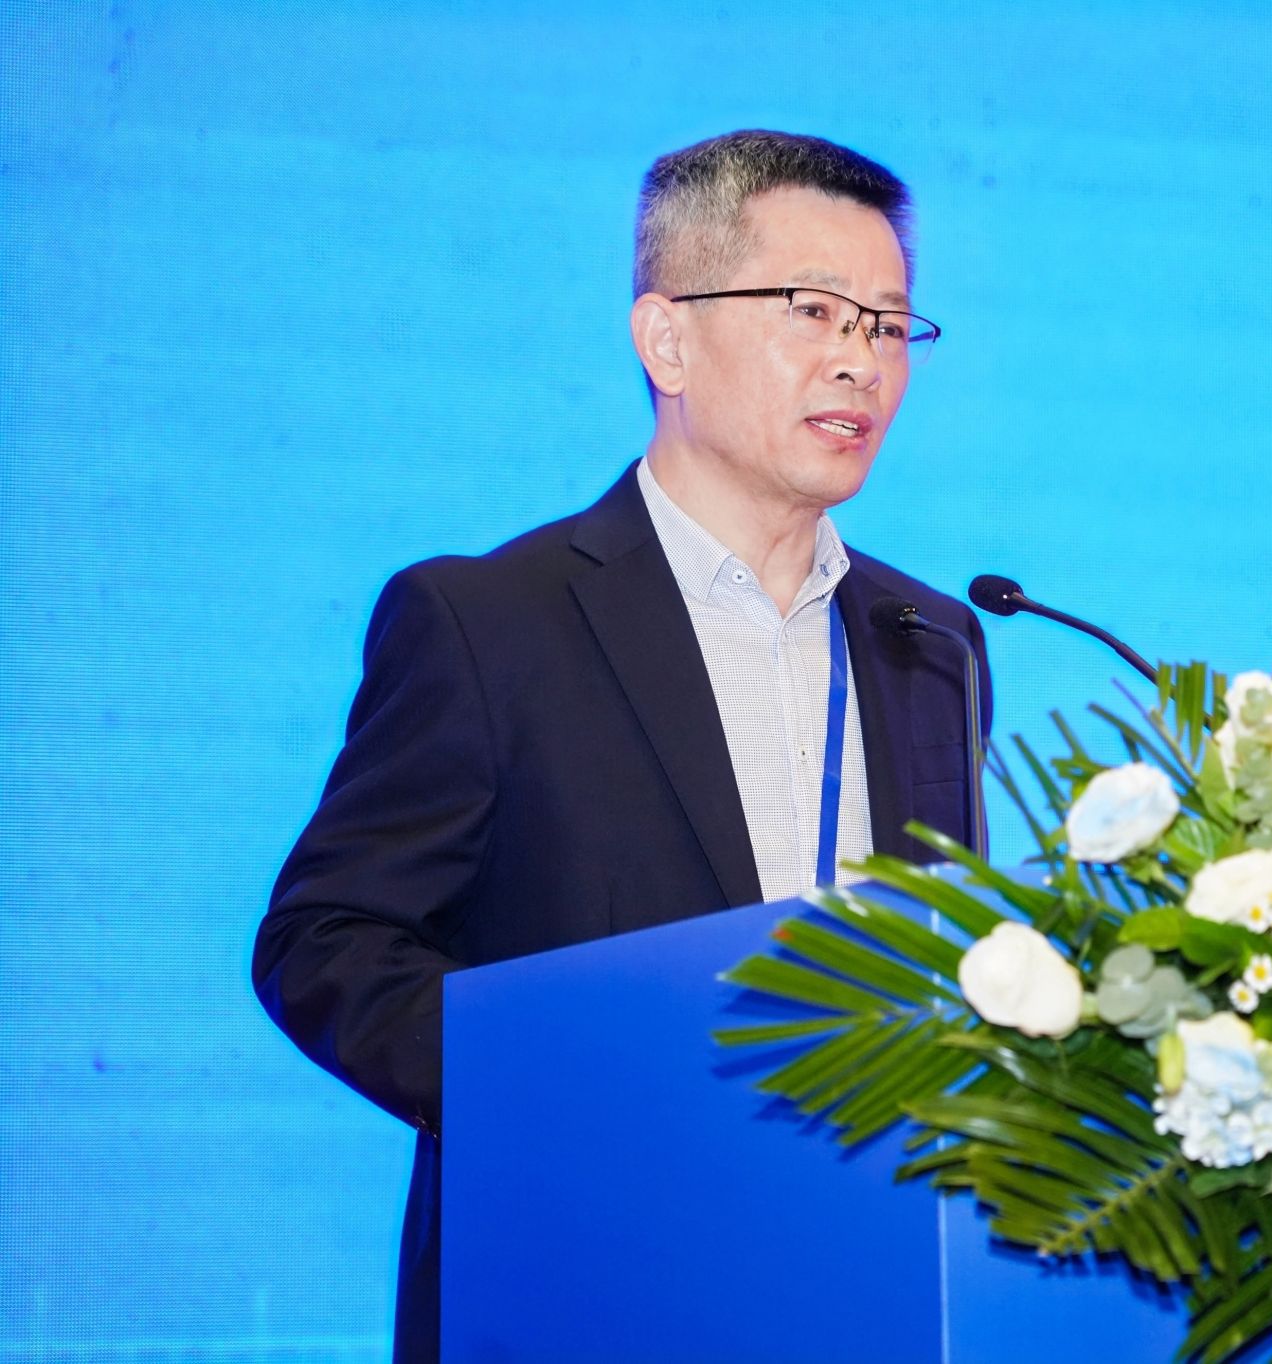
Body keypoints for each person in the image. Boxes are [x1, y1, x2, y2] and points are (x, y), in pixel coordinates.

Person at [252, 130, 989, 1364]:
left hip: (866, 1287)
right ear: (666, 339)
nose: (859, 359)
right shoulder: (490, 621)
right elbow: (324, 939)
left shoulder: (932, 641)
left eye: (886, 324)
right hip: (581, 1282)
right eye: (814, 311)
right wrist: (571, 1094)